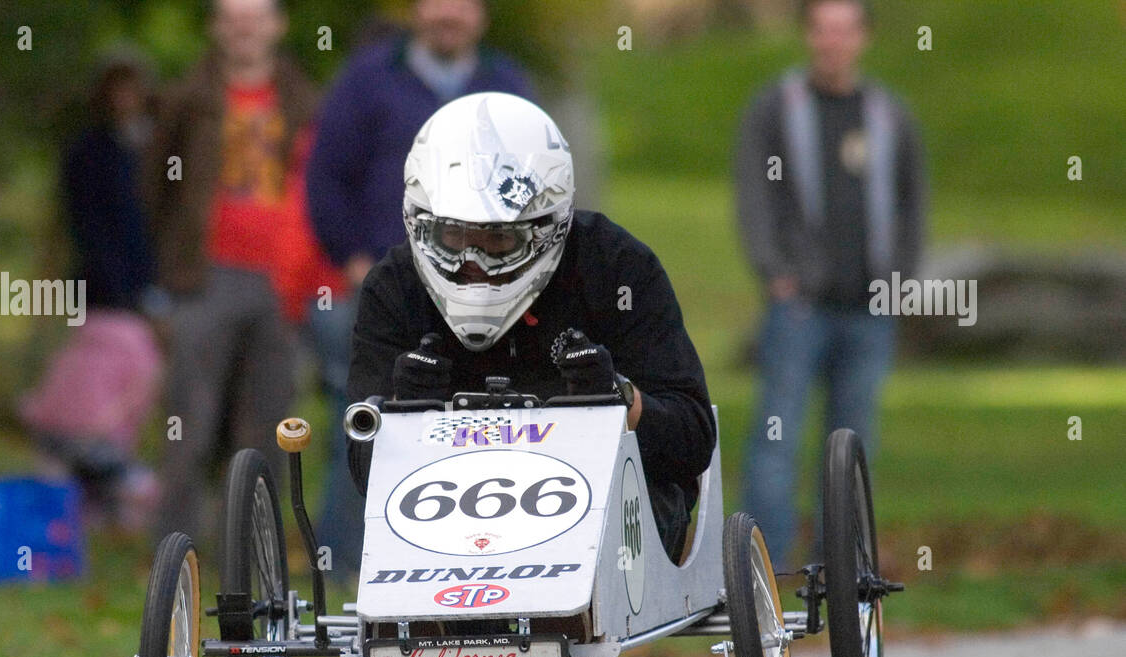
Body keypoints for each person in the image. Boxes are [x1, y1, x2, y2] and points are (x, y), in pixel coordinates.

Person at [346, 93, 715, 561]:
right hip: (450, 515)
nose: (471, 264)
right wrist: (403, 411)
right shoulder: (394, 286)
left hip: (605, 505)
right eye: (453, 236)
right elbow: (363, 470)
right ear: (420, 225)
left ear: (548, 228)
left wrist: (619, 399)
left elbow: (693, 440)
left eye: (498, 240)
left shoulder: (618, 267)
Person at [306, 0, 535, 579]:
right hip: (385, 290)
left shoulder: (505, 84)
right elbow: (325, 174)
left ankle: (465, 573)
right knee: (365, 427)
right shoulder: (367, 80)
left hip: (484, 292)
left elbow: (538, 179)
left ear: (482, 15)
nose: (448, 15)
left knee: (480, 426)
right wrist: (353, 258)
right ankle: (349, 577)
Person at [735, 0, 925, 565]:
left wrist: (899, 277)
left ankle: (842, 562)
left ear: (862, 38)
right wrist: (775, 272)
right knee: (777, 433)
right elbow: (754, 196)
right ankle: (764, 562)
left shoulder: (889, 114)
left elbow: (913, 202)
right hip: (799, 306)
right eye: (823, 30)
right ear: (808, 36)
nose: (833, 42)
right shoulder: (775, 108)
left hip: (869, 306)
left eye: (844, 31)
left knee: (854, 439)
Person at [146, 0, 336, 546]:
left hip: (283, 280)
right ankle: (174, 552)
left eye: (255, 17)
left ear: (277, 26)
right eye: (232, 18)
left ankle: (258, 556)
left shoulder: (307, 102)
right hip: (204, 277)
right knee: (190, 420)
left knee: (269, 425)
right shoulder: (185, 100)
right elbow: (153, 190)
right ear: (216, 28)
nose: (244, 29)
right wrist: (164, 276)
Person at [20, 55, 165, 531]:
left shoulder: (151, 150)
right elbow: (91, 230)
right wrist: (126, 290)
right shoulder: (90, 153)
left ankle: (109, 492)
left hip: (141, 290)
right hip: (108, 296)